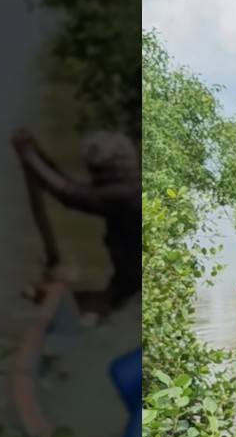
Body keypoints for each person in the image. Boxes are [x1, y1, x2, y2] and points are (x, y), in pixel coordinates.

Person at [10, 129, 139, 317]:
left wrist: (29, 156)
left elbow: (71, 195)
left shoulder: (126, 197)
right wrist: (38, 156)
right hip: (128, 290)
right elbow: (68, 187)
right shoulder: (128, 191)